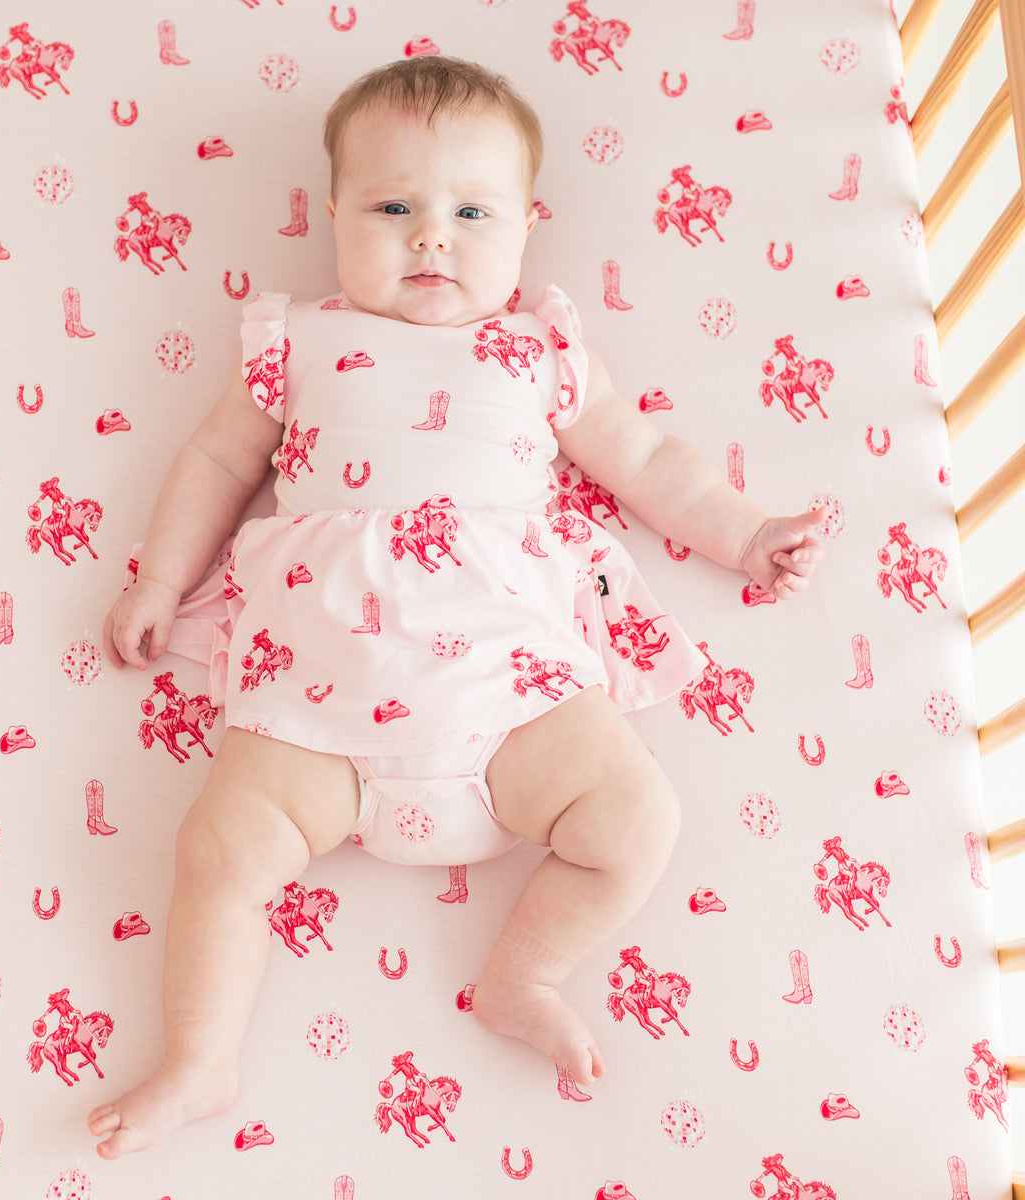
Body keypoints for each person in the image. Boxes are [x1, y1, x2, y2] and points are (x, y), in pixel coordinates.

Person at [90, 55, 824, 1158]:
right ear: (333, 214)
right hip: (319, 709)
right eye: (393, 208)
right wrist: (155, 576)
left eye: (471, 212)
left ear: (528, 227)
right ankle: (201, 1059)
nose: (432, 237)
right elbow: (213, 463)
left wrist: (748, 532)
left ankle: (522, 975)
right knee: (218, 853)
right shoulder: (296, 344)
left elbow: (648, 462)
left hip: (510, 694)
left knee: (638, 818)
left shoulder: (540, 351)